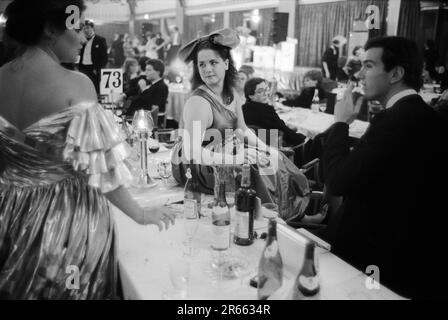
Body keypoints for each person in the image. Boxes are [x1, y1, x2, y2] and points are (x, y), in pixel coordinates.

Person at [0, 0, 175, 299]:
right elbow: (102, 168)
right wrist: (140, 213)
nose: (84, 37)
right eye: (78, 27)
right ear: (50, 30)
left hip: (9, 213)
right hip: (65, 219)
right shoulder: (76, 84)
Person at [322, 36, 447, 299]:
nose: (359, 74)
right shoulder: (425, 115)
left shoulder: (395, 120)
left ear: (396, 73)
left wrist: (340, 123)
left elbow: (337, 181)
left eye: (368, 66)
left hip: (376, 256)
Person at [170, 28, 310, 222]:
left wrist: (266, 147)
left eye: (213, 62)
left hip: (220, 150)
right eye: (202, 64)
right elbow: (191, 152)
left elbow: (241, 129)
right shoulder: (198, 102)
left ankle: (294, 215)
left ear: (226, 64)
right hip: (194, 164)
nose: (207, 69)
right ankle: (275, 220)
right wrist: (234, 159)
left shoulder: (232, 95)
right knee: (250, 168)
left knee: (274, 158)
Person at [242, 77, 306, 165]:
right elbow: (285, 132)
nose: (266, 94)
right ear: (250, 95)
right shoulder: (267, 110)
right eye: (260, 91)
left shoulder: (242, 109)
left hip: (255, 153)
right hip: (274, 151)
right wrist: (301, 138)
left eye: (266, 90)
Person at [78, 19, 108, 94]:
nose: (86, 30)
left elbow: (104, 57)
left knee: (95, 88)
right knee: (83, 88)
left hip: (94, 69)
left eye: (88, 28)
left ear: (93, 28)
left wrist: (97, 68)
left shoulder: (100, 40)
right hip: (83, 68)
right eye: (84, 28)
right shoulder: (82, 40)